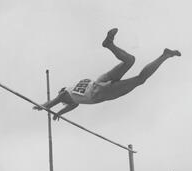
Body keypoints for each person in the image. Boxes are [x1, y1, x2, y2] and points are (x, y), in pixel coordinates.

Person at [34, 28, 181, 121]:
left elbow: (52, 103)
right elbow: (72, 106)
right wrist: (60, 113)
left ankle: (165, 56)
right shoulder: (74, 91)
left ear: (62, 92)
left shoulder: (65, 95)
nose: (63, 101)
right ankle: (109, 44)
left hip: (99, 93)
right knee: (130, 61)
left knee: (140, 80)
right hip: (98, 81)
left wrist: (41, 106)